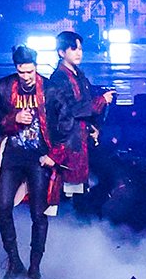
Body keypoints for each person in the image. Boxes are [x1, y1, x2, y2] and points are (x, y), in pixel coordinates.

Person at [0, 44, 54, 279]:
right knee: (2, 207)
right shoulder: (3, 86)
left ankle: (35, 269)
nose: (27, 77)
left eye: (30, 72)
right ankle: (14, 262)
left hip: (38, 157)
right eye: (22, 72)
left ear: (36, 68)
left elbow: (63, 121)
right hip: (11, 155)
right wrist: (14, 118)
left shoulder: (49, 88)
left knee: (39, 213)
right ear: (16, 69)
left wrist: (56, 155)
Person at [45, 29, 115, 213]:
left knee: (103, 177)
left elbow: (84, 103)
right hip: (70, 143)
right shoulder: (59, 79)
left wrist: (93, 127)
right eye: (73, 49)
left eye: (80, 49)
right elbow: (71, 110)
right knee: (75, 188)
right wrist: (101, 101)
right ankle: (81, 222)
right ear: (62, 52)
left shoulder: (79, 75)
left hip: (83, 138)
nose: (78, 53)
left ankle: (90, 217)